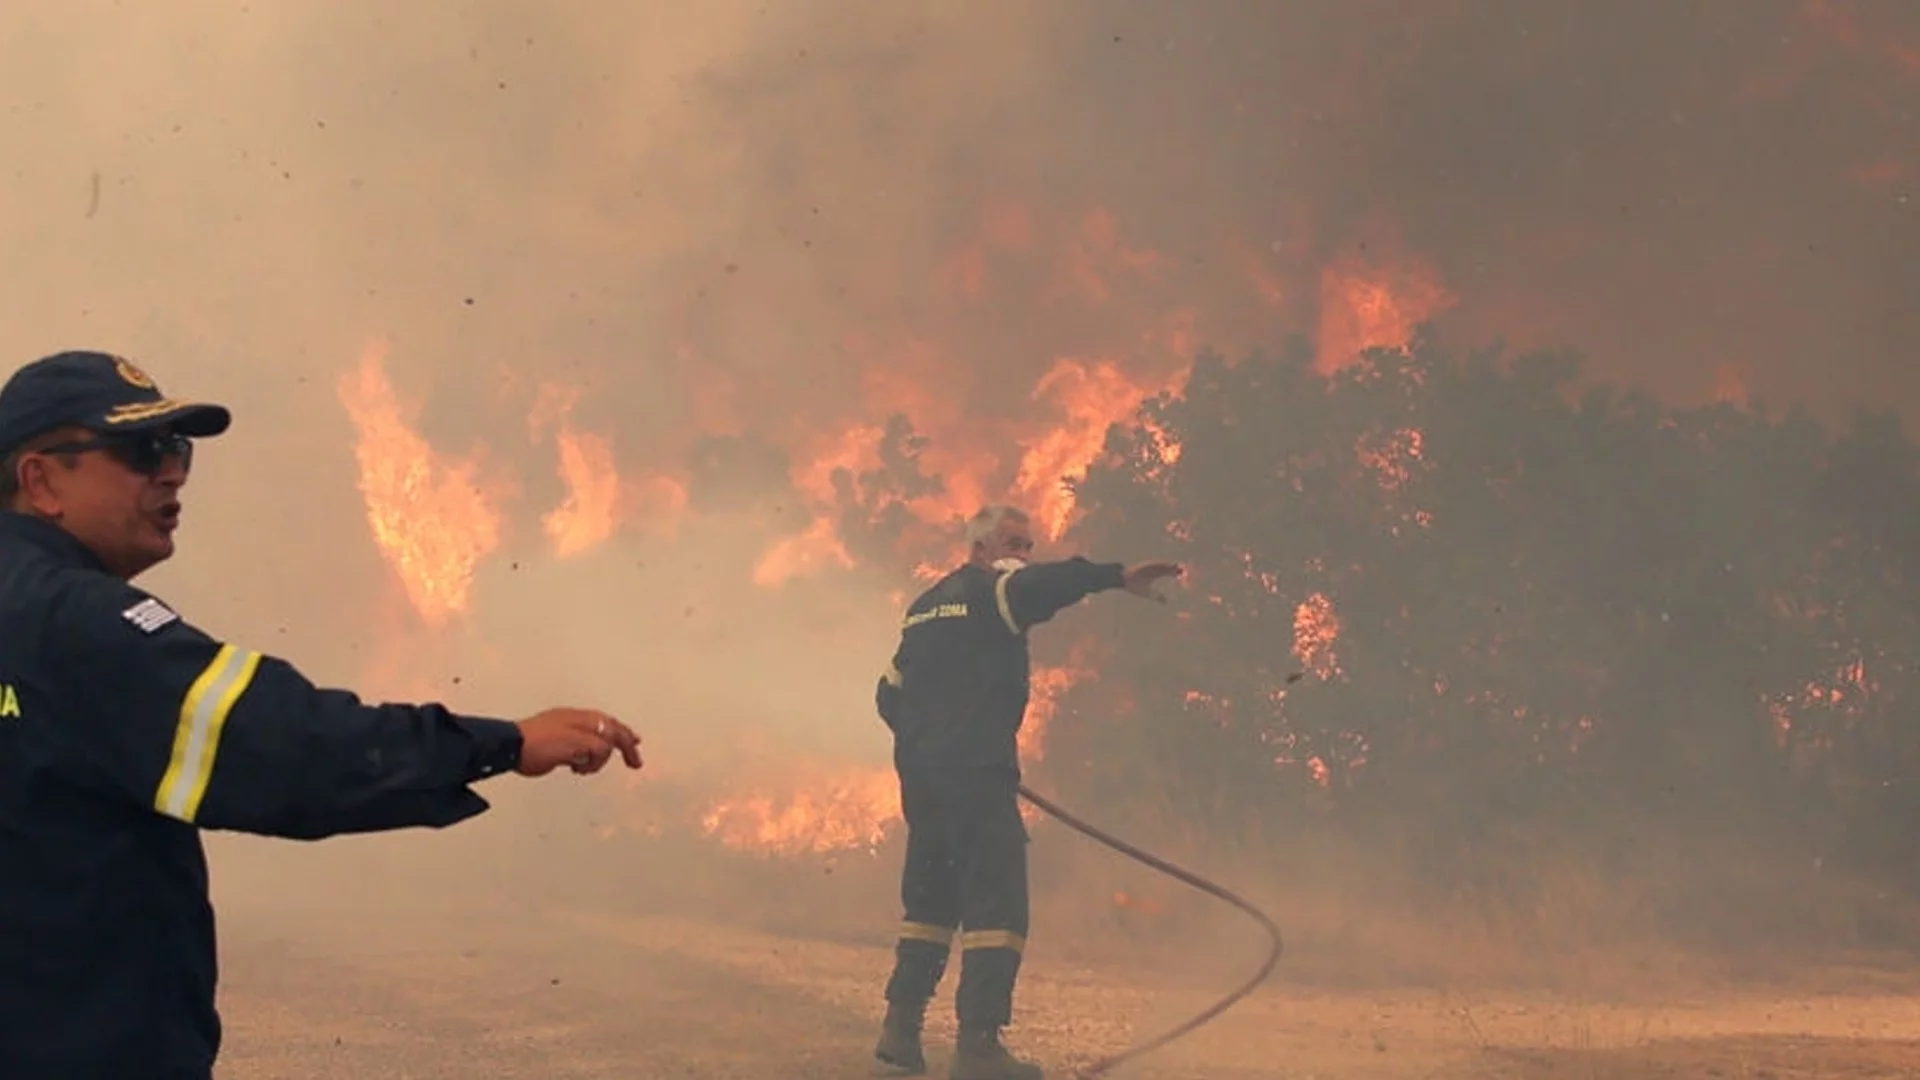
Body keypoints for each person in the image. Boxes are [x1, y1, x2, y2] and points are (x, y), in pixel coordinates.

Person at [0, 350, 645, 1080]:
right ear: (42, 479)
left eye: (177, 449)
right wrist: (502, 744)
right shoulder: (76, 623)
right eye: (141, 450)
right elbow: (282, 747)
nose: (172, 471)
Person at [870, 504, 1182, 1080]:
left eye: (1029, 543)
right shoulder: (993, 596)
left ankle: (900, 1029)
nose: (1024, 552)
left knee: (930, 904)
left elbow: (888, 696)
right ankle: (979, 1049)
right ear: (980, 548)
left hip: (925, 781)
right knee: (998, 905)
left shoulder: (923, 609)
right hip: (975, 780)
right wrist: (1115, 575)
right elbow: (1045, 584)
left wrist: (931, 742)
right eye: (1014, 541)